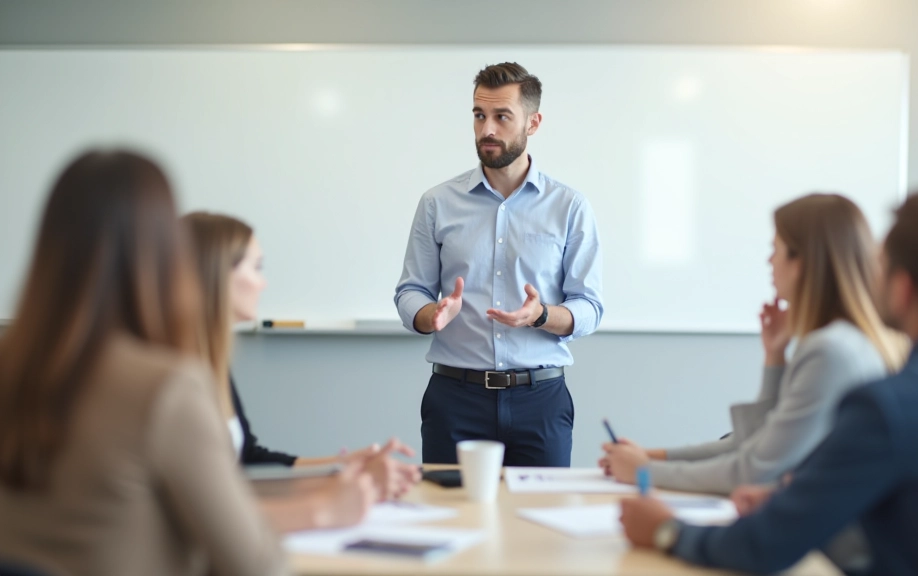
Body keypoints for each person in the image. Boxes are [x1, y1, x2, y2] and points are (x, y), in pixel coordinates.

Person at [0, 150, 373, 576]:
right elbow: (255, 564)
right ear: (160, 252)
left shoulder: (13, 366)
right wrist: (324, 511)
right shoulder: (165, 388)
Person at [619, 190, 918, 576]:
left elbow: (766, 546)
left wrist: (666, 530)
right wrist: (797, 497)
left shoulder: (889, 406)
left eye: (880, 266)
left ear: (903, 289)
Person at [602, 193, 905, 494]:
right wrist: (775, 355)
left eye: (775, 250)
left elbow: (754, 470)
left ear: (801, 262)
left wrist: (645, 472)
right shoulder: (847, 342)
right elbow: (761, 442)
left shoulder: (829, 352)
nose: (769, 261)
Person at [394, 62, 603, 466]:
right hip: (455, 399)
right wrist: (428, 314)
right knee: (451, 519)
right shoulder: (437, 203)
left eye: (502, 116)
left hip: (539, 400)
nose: (487, 129)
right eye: (479, 115)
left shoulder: (570, 207)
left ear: (533, 122)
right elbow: (411, 291)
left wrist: (541, 315)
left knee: (539, 523)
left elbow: (589, 307)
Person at [183, 211, 421, 500]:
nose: (263, 284)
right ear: (218, 274)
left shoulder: (212, 361)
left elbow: (248, 459)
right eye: (256, 268)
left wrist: (343, 466)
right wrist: (329, 506)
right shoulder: (179, 378)